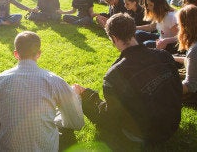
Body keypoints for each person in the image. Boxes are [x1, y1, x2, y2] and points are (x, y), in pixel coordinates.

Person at [73, 13, 182, 148]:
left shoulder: (114, 75)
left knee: (84, 99)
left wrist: (86, 96)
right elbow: (177, 90)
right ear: (134, 31)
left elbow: (110, 118)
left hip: (143, 136)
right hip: (172, 124)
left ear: (113, 38)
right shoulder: (164, 56)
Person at [0, 31, 84, 151]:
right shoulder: (55, 81)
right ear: (38, 54)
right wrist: (74, 96)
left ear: (16, 54)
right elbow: (76, 123)